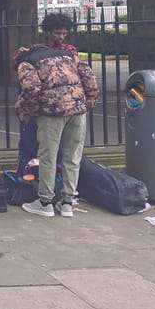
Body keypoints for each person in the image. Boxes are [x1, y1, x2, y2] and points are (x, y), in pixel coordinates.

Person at [17, 13, 100, 218]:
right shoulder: (70, 55)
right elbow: (88, 77)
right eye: (58, 32)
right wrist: (89, 100)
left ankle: (45, 202)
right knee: (73, 156)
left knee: (48, 156)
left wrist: (26, 111)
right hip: (77, 109)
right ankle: (68, 203)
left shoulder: (27, 61)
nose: (62, 36)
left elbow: (31, 89)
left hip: (51, 112)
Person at [13, 13, 76, 175]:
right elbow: (22, 73)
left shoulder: (69, 51)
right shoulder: (36, 50)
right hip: (39, 105)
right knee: (30, 144)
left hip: (60, 107)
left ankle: (55, 181)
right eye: (57, 33)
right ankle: (26, 178)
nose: (61, 37)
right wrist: (20, 58)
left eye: (64, 33)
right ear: (48, 32)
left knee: (57, 149)